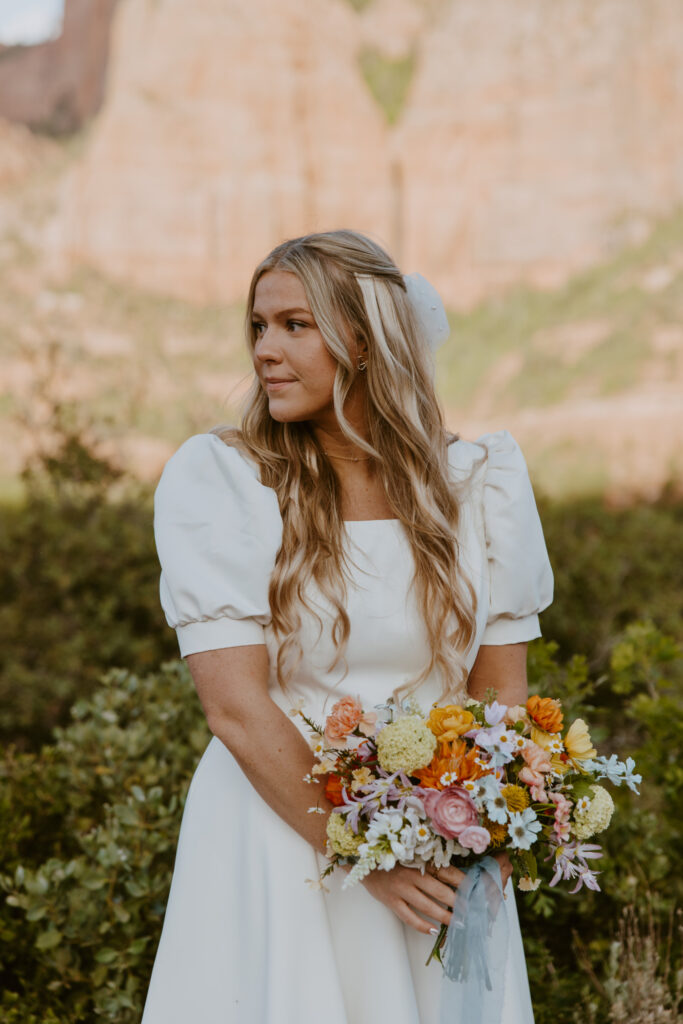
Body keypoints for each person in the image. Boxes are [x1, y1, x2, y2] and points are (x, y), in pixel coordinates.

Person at [141, 229, 553, 1024]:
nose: (265, 349)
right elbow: (233, 705)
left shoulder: (478, 484)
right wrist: (361, 855)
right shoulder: (226, 480)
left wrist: (480, 838)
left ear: (364, 341)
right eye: (259, 326)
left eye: (296, 325)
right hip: (279, 838)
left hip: (439, 839)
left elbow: (499, 697)